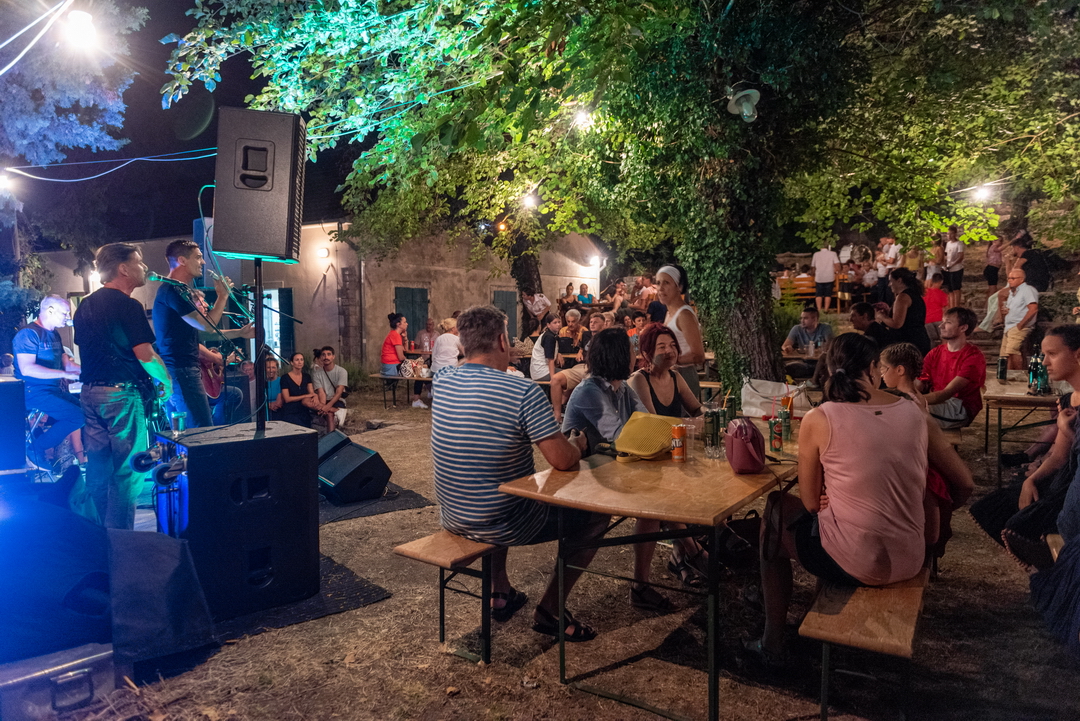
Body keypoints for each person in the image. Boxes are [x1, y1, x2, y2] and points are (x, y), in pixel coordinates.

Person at [750, 332, 971, 666]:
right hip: (911, 556)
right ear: (872, 369)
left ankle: (772, 642)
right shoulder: (915, 412)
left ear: (829, 369)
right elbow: (964, 483)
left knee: (776, 510)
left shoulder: (820, 418)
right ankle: (804, 618)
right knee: (832, 523)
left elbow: (809, 504)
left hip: (857, 562)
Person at [432, 305, 607, 640]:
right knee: (595, 516)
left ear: (463, 343)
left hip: (455, 515)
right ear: (502, 341)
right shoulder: (522, 391)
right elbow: (561, 460)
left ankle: (500, 592)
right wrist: (579, 444)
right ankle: (550, 610)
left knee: (499, 481)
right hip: (506, 520)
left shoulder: (442, 381)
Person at [562, 328, 678, 609]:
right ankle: (694, 554)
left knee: (658, 497)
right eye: (631, 350)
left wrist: (652, 434)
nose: (635, 356)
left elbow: (647, 423)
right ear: (617, 355)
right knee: (656, 497)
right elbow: (620, 436)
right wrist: (651, 435)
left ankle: (650, 580)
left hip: (612, 469)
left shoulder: (622, 388)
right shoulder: (589, 391)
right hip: (580, 478)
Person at [73, 243, 173, 529]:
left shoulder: (84, 305)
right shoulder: (129, 305)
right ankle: (120, 539)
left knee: (98, 468)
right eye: (139, 262)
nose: (144, 267)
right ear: (123, 269)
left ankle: (97, 535)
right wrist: (166, 380)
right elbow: (145, 355)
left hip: (90, 393)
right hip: (121, 395)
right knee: (129, 471)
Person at [970, 326, 1080, 570]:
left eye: (1052, 354)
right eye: (1043, 354)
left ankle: (1055, 569)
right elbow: (1059, 456)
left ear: (1078, 355)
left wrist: (1066, 428)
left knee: (1021, 525)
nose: (1045, 362)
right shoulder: (1067, 400)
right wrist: (1032, 479)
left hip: (1073, 489)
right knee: (990, 510)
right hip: (1063, 479)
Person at [152, 240, 253, 429]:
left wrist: (240, 332)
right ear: (182, 260)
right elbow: (207, 326)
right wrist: (222, 296)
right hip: (181, 370)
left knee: (192, 430)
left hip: (181, 370)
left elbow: (201, 332)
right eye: (198, 257)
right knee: (200, 429)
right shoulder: (173, 290)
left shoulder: (180, 290)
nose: (203, 262)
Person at [14, 296, 85, 467]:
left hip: (52, 390)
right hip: (33, 391)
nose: (67, 317)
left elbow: (66, 363)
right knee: (77, 416)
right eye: (65, 313)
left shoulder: (54, 334)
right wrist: (64, 374)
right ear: (50, 310)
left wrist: (89, 372)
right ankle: (35, 449)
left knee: (86, 412)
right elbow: (27, 368)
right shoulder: (28, 334)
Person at [917, 307, 986, 428]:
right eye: (942, 321)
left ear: (963, 328)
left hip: (959, 407)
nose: (941, 326)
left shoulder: (973, 356)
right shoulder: (935, 352)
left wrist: (912, 400)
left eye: (948, 322)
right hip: (935, 401)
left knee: (909, 412)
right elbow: (921, 381)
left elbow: (947, 393)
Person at [655, 264, 705, 397]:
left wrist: (668, 361)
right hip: (671, 374)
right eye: (658, 283)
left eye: (666, 283)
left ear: (679, 287)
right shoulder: (669, 313)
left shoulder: (684, 315)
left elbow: (699, 356)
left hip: (684, 375)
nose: (660, 288)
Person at [875, 268, 931, 356]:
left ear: (899, 281)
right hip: (919, 339)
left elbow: (897, 324)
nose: (889, 285)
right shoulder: (914, 294)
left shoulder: (903, 297)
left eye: (891, 281)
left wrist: (881, 316)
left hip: (909, 342)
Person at [381, 313, 426, 408]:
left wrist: (405, 338)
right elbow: (401, 357)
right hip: (392, 368)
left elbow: (405, 350)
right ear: (398, 324)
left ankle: (428, 393)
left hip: (390, 366)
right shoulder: (395, 335)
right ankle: (417, 400)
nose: (407, 324)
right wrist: (412, 362)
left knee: (421, 368)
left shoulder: (394, 334)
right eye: (405, 322)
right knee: (421, 371)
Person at [999, 268, 1040, 370]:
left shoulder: (1027, 290)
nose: (1010, 280)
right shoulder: (1013, 293)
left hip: (1018, 326)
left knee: (1012, 351)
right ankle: (1009, 374)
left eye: (1013, 278)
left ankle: (1019, 374)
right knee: (1005, 355)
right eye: (1009, 278)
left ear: (1021, 279)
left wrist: (1020, 325)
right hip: (1009, 327)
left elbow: (1033, 308)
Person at [782, 306, 833, 376]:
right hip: (803, 361)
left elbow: (831, 344)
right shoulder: (797, 329)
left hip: (819, 362)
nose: (802, 321)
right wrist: (787, 348)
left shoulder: (825, 328)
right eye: (801, 318)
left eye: (805, 318)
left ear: (815, 319)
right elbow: (785, 345)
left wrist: (823, 347)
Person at [312, 346, 348, 433]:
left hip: (337, 400)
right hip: (325, 400)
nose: (326, 357)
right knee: (306, 402)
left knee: (329, 413)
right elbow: (321, 392)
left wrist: (327, 407)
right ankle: (337, 411)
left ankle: (331, 437)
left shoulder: (341, 371)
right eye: (323, 355)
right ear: (321, 357)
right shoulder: (317, 374)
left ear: (333, 356)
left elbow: (339, 393)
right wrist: (323, 406)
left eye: (329, 354)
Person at [278, 352, 318, 428]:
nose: (300, 362)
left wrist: (315, 396)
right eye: (297, 360)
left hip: (304, 410)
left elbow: (311, 393)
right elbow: (287, 399)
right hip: (290, 412)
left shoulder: (307, 376)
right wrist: (305, 396)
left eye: (301, 360)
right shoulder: (285, 378)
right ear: (292, 363)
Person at [530, 312, 562, 382]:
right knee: (567, 376)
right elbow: (550, 359)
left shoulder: (552, 335)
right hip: (541, 372)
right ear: (548, 325)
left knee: (567, 373)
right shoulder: (549, 337)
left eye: (559, 322)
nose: (558, 324)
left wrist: (558, 354)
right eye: (555, 323)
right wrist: (553, 378)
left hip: (541, 370)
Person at [811, 245, 841, 313]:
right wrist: (838, 271)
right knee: (828, 294)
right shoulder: (833, 254)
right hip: (829, 276)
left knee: (819, 294)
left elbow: (813, 266)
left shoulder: (816, 254)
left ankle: (819, 309)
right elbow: (837, 264)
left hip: (819, 277)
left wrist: (813, 274)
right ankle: (826, 309)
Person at [944, 225, 965, 308]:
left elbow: (961, 256)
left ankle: (957, 306)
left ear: (955, 234)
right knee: (950, 289)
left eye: (951, 234)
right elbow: (947, 255)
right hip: (949, 269)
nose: (949, 236)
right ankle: (951, 306)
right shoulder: (948, 244)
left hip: (957, 268)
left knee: (956, 288)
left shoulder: (959, 243)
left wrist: (952, 264)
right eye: (948, 234)